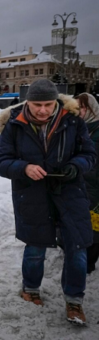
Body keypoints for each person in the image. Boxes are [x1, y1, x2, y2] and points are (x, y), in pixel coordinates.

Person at [0, 79, 96, 325]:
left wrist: (76, 166)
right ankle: (30, 289)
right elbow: (0, 161)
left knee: (77, 249)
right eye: (37, 104)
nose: (42, 110)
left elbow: (90, 154)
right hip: (31, 196)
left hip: (71, 195)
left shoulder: (73, 121)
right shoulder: (15, 125)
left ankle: (74, 301)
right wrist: (23, 167)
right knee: (35, 248)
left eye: (48, 104)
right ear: (28, 102)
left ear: (56, 103)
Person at [75, 92, 99, 273]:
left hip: (95, 186)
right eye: (78, 107)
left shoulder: (95, 130)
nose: (80, 111)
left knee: (94, 226)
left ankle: (89, 262)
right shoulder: (78, 128)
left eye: (82, 107)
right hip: (81, 183)